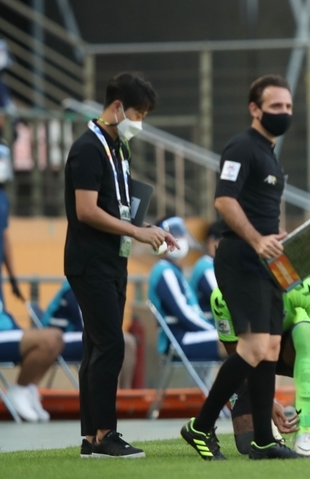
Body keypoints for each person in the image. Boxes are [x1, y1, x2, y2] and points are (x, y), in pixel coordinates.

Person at [181, 74, 308, 461]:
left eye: (288, 107)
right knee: (253, 347)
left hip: (267, 261)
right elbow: (224, 201)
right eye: (275, 107)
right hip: (241, 259)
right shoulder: (241, 146)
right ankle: (200, 426)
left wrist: (289, 241)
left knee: (270, 348)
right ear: (255, 110)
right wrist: (256, 240)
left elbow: (266, 221)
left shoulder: (270, 155)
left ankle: (264, 441)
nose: (284, 113)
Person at [64, 71, 177, 459]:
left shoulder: (119, 149)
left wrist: (149, 230)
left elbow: (120, 207)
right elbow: (86, 211)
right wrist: (134, 230)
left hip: (114, 259)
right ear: (116, 107)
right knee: (110, 344)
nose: (140, 122)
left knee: (96, 345)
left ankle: (91, 438)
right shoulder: (87, 148)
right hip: (90, 261)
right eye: (138, 113)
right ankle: (105, 433)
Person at [211, 277, 310, 457]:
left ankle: (304, 433)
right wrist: (266, 402)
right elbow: (236, 357)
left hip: (287, 349)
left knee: (307, 332)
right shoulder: (222, 298)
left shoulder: (298, 286)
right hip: (253, 358)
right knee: (247, 444)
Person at [41, 279, 137, 389]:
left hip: (76, 335)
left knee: (129, 341)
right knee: (111, 343)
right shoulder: (74, 288)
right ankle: (112, 397)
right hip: (61, 339)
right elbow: (82, 326)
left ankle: (125, 395)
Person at [148, 216, 221, 361]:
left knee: (239, 341)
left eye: (181, 233)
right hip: (179, 339)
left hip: (190, 334)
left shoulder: (172, 270)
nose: (181, 238)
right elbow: (185, 314)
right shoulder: (165, 272)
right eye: (174, 234)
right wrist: (213, 330)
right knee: (236, 341)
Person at [0, 306, 62, 422]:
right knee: (49, 339)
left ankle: (27, 387)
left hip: (9, 330)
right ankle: (19, 389)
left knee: (57, 336)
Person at [189, 220, 223, 319]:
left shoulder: (218, 264)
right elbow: (221, 301)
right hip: (208, 326)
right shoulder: (205, 267)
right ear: (211, 241)